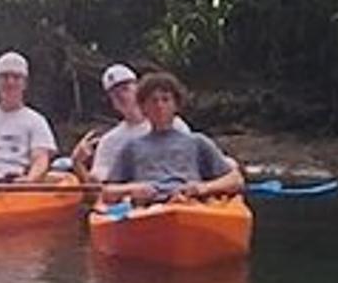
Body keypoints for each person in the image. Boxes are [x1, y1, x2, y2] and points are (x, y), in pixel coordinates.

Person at [98, 71, 244, 205]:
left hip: (192, 203)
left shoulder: (197, 142)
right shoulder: (131, 147)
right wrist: (132, 189)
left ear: (176, 105)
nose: (160, 106)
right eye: (153, 101)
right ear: (143, 107)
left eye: (165, 100)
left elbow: (236, 180)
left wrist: (202, 188)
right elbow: (107, 192)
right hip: (148, 208)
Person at [0, 51, 66, 187]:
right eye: (4, 77)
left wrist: (30, 180)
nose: (10, 82)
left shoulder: (36, 120)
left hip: (13, 190)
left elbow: (40, 160)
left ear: (25, 83)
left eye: (16, 77)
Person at [72, 62, 187, 183]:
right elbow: (99, 188)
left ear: (139, 90)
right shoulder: (109, 141)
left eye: (125, 89)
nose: (122, 96)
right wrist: (78, 163)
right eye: (115, 94)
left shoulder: (174, 125)